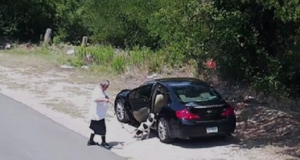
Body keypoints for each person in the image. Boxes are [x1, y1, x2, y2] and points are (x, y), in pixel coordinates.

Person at [87, 79, 112, 149]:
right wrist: (105, 100)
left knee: (94, 128)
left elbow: (105, 95)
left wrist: (107, 98)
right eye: (106, 87)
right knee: (103, 129)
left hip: (100, 113)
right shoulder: (97, 91)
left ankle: (91, 141)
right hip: (97, 114)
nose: (107, 88)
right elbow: (95, 99)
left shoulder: (102, 91)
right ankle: (103, 142)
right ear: (104, 86)